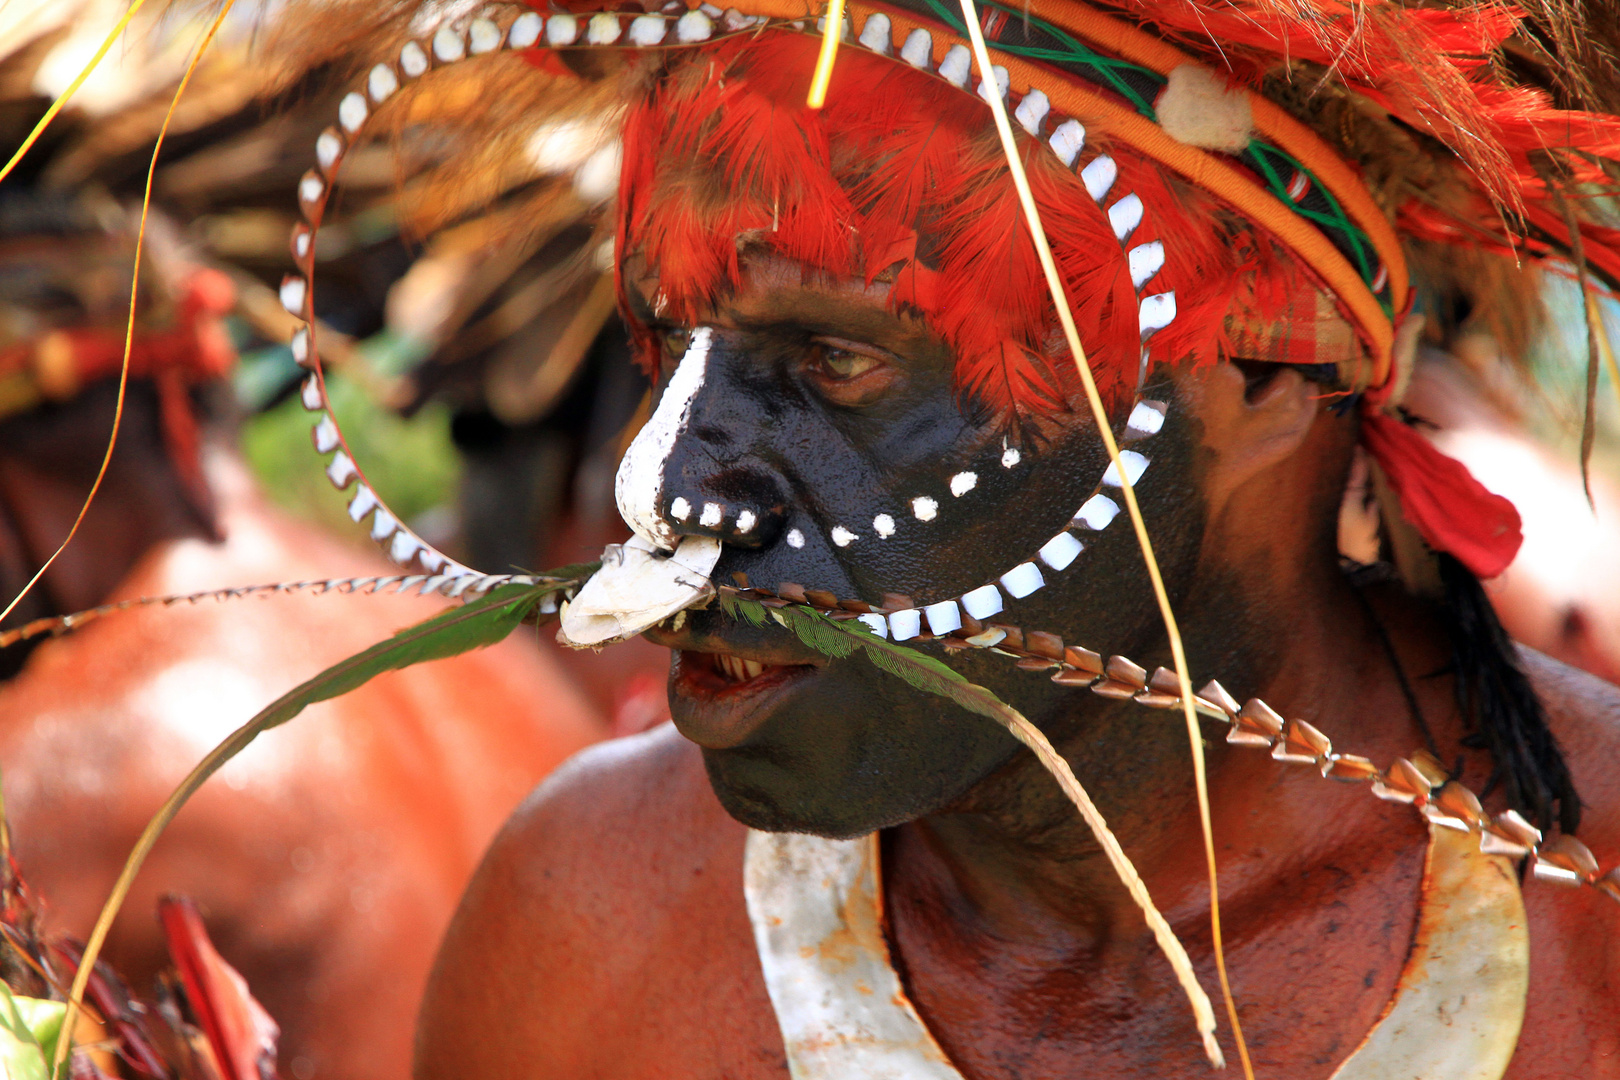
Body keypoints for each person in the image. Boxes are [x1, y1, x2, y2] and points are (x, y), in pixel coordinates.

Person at [42, 0, 1620, 1074]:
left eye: (838, 365)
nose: (666, 496)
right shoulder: (596, 930)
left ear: (1271, 375)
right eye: (663, 353)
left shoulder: (1594, 923)